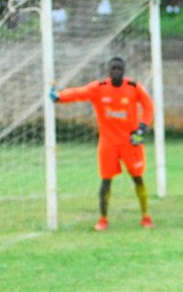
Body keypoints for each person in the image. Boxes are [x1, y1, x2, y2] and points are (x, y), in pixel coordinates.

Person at [50, 57, 154, 231]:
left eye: (119, 69)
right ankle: (103, 219)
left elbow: (148, 106)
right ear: (109, 71)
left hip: (131, 141)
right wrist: (59, 97)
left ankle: (146, 216)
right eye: (113, 68)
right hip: (108, 143)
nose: (116, 72)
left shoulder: (134, 88)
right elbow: (78, 93)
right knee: (106, 180)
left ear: (124, 71)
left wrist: (142, 128)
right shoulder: (99, 89)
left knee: (137, 177)